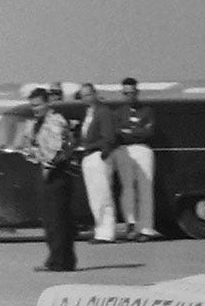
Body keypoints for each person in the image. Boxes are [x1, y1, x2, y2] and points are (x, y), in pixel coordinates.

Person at [19, 88, 78, 272]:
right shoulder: (36, 123)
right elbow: (28, 146)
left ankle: (60, 261)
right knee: (50, 219)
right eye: (32, 105)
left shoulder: (55, 121)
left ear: (47, 103)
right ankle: (58, 259)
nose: (35, 108)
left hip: (57, 174)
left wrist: (48, 166)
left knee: (58, 219)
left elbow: (57, 150)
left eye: (38, 105)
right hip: (44, 172)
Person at [109, 77, 159, 240]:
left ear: (137, 92)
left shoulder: (147, 111)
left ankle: (146, 228)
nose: (129, 96)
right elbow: (116, 133)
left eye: (132, 92)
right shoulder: (117, 113)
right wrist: (134, 132)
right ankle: (131, 224)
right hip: (124, 151)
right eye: (126, 93)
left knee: (146, 188)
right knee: (127, 188)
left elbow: (149, 132)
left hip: (143, 149)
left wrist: (130, 132)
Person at [75, 83, 119, 243]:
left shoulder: (103, 111)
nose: (86, 98)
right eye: (83, 96)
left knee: (103, 196)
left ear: (94, 93)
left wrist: (98, 150)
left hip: (98, 156)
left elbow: (109, 137)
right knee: (95, 197)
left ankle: (107, 232)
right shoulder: (88, 113)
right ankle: (100, 230)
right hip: (88, 156)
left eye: (88, 94)